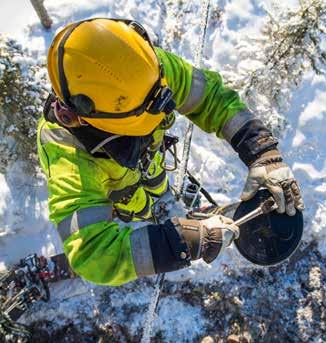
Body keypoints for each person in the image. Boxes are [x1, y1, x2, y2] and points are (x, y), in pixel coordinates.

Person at [38, 18, 304, 286]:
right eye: (139, 121)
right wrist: (181, 243)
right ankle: (148, 216)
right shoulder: (68, 154)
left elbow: (211, 97)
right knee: (137, 210)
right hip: (122, 197)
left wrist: (262, 152)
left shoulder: (146, 72)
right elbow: (92, 253)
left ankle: (162, 202)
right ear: (82, 117)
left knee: (158, 188)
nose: (157, 116)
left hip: (151, 166)